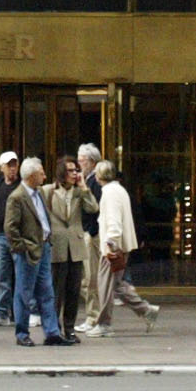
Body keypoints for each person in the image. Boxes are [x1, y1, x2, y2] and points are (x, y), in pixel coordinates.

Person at [4, 156, 76, 347]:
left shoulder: (39, 193)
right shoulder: (17, 197)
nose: (44, 175)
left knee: (47, 291)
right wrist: (23, 248)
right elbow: (10, 228)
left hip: (44, 247)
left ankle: (52, 332)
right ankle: (22, 333)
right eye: (41, 172)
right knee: (24, 293)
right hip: (28, 251)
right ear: (31, 175)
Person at [81, 160, 159, 334]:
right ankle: (146, 311)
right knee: (116, 285)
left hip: (113, 246)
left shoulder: (109, 193)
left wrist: (110, 244)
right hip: (119, 245)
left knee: (105, 285)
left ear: (99, 176)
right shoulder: (119, 190)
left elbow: (113, 221)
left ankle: (104, 324)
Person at [45, 155, 97, 338]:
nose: (74, 173)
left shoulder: (78, 192)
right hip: (57, 245)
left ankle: (70, 328)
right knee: (56, 290)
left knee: (73, 290)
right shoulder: (49, 191)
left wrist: (83, 186)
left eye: (76, 170)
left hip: (75, 246)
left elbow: (93, 208)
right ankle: (53, 327)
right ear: (61, 172)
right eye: (70, 170)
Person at [0, 151, 23, 322]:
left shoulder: (22, 186)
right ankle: (1, 312)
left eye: (15, 165)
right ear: (2, 167)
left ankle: (19, 312)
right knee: (3, 276)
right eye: (9, 165)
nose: (13, 169)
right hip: (0, 236)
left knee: (20, 275)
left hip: (18, 236)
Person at [76, 143, 104, 321]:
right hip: (88, 232)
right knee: (86, 280)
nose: (80, 164)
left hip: (92, 233)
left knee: (90, 279)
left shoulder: (94, 182)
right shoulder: (87, 180)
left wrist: (90, 232)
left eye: (82, 160)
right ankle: (95, 314)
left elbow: (95, 209)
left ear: (92, 162)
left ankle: (94, 316)